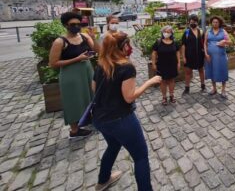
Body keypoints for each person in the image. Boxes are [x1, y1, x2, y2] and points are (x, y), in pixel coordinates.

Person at [92, 31, 161, 191]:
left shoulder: (102, 63)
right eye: (128, 44)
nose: (130, 48)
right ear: (122, 46)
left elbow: (94, 88)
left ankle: (103, 180)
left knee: (113, 146)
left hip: (100, 118)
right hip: (121, 119)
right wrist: (149, 82)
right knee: (141, 157)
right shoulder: (126, 67)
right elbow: (129, 97)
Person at [49, 12, 95, 138]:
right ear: (65, 25)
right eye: (73, 24)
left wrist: (93, 38)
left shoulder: (84, 36)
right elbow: (53, 63)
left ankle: (90, 119)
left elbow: (96, 50)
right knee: (73, 100)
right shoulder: (60, 42)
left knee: (91, 95)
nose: (76, 27)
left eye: (79, 24)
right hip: (70, 74)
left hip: (87, 70)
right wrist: (76, 59)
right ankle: (74, 130)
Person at [152, 26, 181, 104]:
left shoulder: (174, 42)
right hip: (161, 65)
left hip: (172, 64)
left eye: (168, 32)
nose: (166, 33)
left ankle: (171, 95)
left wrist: (179, 62)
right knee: (163, 81)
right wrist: (153, 63)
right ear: (162, 32)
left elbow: (178, 52)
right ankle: (164, 97)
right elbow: (154, 53)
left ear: (171, 33)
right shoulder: (158, 42)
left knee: (171, 80)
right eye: (165, 31)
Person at [204, 16, 231, 98]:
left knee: (223, 71)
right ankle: (214, 88)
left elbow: (230, 42)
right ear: (211, 23)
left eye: (217, 22)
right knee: (212, 71)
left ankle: (223, 90)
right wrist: (206, 54)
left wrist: (225, 41)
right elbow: (205, 43)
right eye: (213, 22)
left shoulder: (223, 32)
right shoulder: (208, 32)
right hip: (210, 56)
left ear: (219, 23)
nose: (215, 23)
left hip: (221, 56)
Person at [181, 15, 205, 94]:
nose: (193, 23)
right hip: (189, 56)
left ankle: (203, 85)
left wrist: (205, 53)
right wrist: (183, 57)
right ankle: (187, 88)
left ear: (197, 22)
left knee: (201, 70)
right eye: (191, 22)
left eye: (194, 22)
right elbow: (183, 45)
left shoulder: (200, 31)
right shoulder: (186, 32)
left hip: (199, 55)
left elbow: (204, 43)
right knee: (188, 72)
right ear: (189, 22)